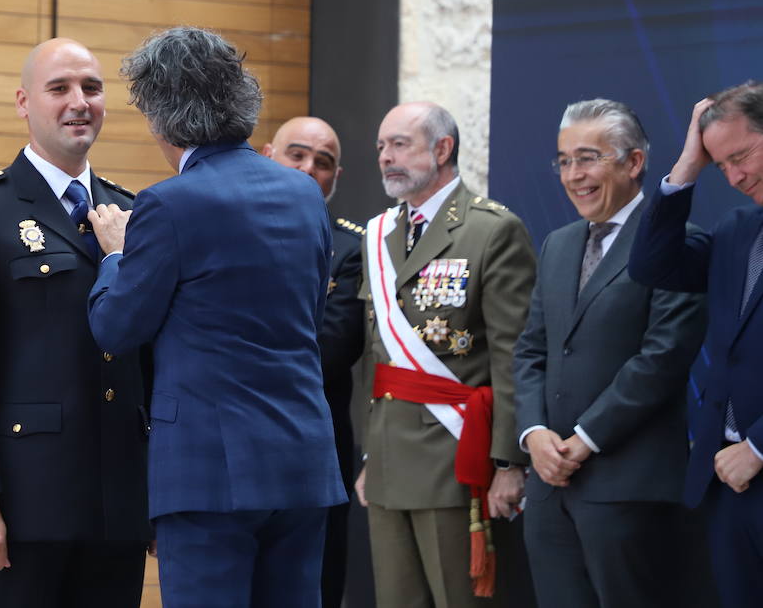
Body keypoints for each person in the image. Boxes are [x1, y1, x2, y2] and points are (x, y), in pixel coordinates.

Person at [86, 27, 345, 608]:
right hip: (301, 461)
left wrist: (115, 258)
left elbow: (116, 328)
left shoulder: (168, 204)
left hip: (209, 473)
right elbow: (311, 311)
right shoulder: (305, 195)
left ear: (161, 117)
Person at [0, 38, 151, 608]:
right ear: (24, 103)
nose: (80, 102)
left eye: (92, 88)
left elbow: (143, 357)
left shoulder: (131, 212)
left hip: (116, 503)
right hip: (27, 506)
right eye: (60, 89)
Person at [512, 99, 706, 607]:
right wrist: (534, 435)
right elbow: (531, 349)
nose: (574, 175)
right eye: (564, 160)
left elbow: (662, 359)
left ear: (634, 163)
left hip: (627, 487)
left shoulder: (679, 244)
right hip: (550, 490)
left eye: (588, 158)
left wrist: (584, 439)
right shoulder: (557, 244)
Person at [356, 101, 536, 607]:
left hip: (457, 459)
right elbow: (375, 358)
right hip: (389, 459)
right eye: (381, 147)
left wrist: (508, 462)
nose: (386, 157)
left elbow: (511, 353)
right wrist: (370, 453)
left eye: (400, 145)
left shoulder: (491, 230)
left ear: (442, 148)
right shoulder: (379, 235)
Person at [629, 80, 763, 608]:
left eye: (742, 156)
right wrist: (688, 163)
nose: (733, 176)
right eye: (720, 165)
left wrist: (757, 446)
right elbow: (650, 265)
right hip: (727, 487)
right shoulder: (736, 230)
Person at [261, 116, 366, 608]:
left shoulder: (351, 248)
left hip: (312, 446)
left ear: (335, 178)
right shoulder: (227, 227)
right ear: (266, 155)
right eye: (296, 154)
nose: (308, 170)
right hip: (230, 443)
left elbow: (332, 349)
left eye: (323, 163)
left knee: (314, 588)